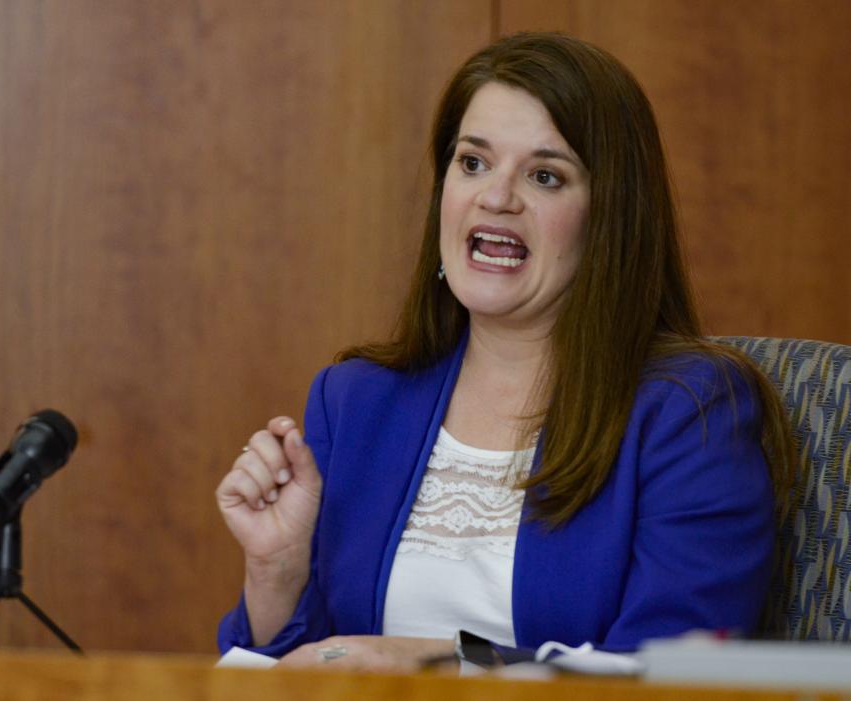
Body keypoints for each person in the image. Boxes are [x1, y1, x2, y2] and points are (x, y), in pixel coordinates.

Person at [215, 32, 795, 671]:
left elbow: (674, 676)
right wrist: (277, 572)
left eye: (545, 175)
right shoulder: (356, 401)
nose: (496, 197)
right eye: (473, 163)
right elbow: (304, 668)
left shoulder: (690, 411)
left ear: (609, 219)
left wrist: (444, 665)